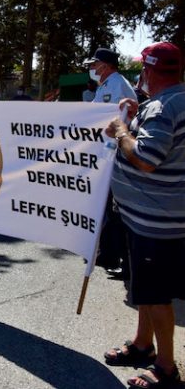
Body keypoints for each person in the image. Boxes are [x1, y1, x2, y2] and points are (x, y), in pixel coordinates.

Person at [103, 42, 184, 389]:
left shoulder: (166, 107)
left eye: (143, 69)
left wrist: (122, 131)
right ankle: (142, 344)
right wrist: (136, 115)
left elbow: (147, 158)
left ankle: (166, 367)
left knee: (155, 294)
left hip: (156, 222)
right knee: (144, 288)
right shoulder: (170, 102)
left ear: (150, 71)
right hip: (148, 217)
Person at [86, 48, 137, 276]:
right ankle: (107, 253)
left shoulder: (118, 84)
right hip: (107, 152)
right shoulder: (106, 85)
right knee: (106, 205)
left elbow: (120, 118)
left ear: (105, 66)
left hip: (117, 153)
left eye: (95, 65)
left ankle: (119, 258)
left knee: (115, 208)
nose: (93, 69)